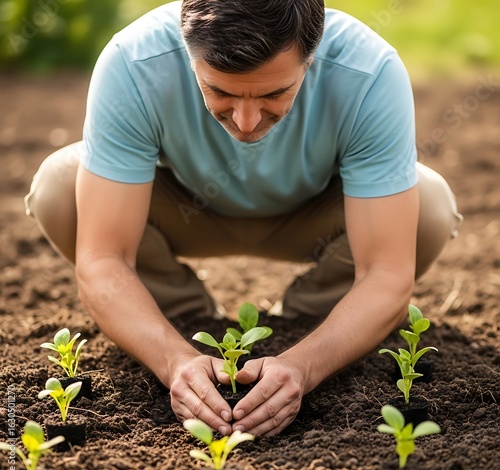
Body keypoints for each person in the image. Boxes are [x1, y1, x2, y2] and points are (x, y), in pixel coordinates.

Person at [25, 0, 462, 437]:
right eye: (220, 91)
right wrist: (173, 361)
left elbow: (387, 270)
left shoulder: (370, 72)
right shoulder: (133, 63)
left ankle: (309, 324)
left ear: (311, 56)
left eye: (274, 93)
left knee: (427, 206)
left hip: (317, 216)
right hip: (188, 211)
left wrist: (302, 367)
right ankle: (180, 322)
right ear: (188, 52)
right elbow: (104, 258)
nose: (247, 122)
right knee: (61, 190)